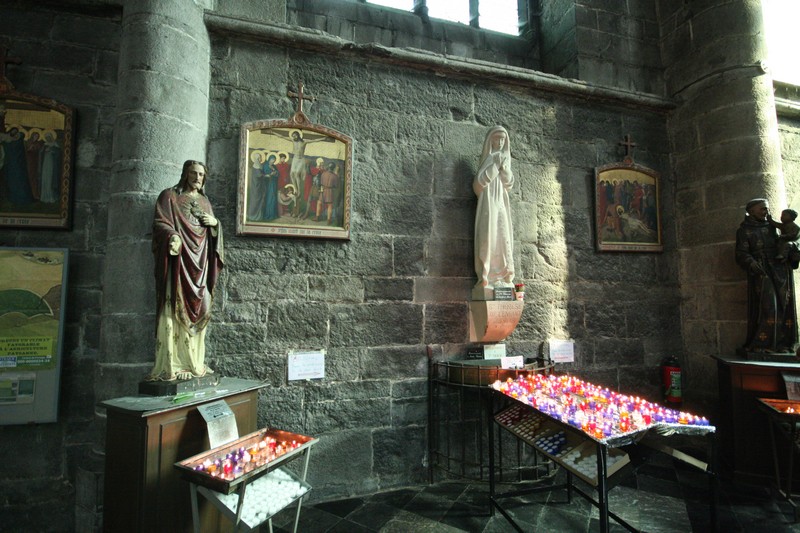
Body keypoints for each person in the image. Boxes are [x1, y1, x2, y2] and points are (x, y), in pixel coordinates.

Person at [148, 160, 224, 381]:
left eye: (201, 174)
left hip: (201, 264)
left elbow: (212, 234)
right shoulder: (169, 196)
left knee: (203, 307)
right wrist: (172, 236)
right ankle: (173, 363)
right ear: (185, 174)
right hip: (179, 263)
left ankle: (194, 362)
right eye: (193, 173)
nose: (197, 178)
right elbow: (160, 222)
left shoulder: (205, 202)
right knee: (173, 308)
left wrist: (215, 224)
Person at [735, 198, 798, 354]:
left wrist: (792, 249)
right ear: (751, 211)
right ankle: (762, 344)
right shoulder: (744, 230)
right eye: (762, 209)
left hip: (780, 268)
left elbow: (791, 239)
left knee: (785, 304)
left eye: (767, 209)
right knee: (769, 305)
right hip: (762, 270)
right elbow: (741, 253)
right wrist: (751, 262)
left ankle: (783, 344)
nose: (766, 212)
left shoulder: (772, 226)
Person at [473, 126, 514, 299]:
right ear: (491, 140)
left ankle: (504, 277)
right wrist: (495, 166)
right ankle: (487, 277)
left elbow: (509, 183)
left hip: (501, 205)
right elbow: (477, 185)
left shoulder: (505, 159)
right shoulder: (489, 159)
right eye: (497, 138)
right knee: (489, 238)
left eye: (503, 139)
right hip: (489, 204)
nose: (500, 142)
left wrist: (504, 169)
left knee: (503, 239)